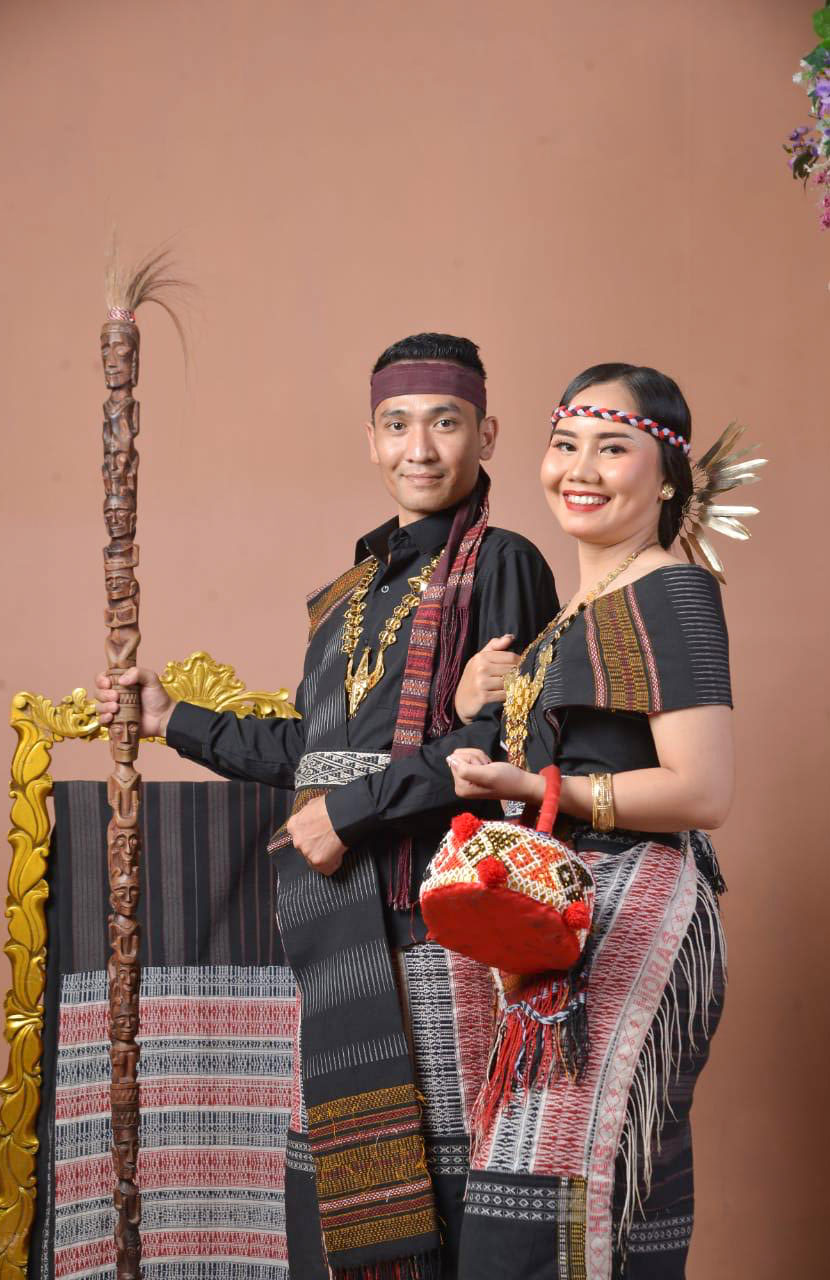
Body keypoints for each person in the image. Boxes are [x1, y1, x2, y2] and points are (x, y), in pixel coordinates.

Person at [95, 333, 558, 1279]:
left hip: (440, 924)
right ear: (370, 437)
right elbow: (313, 756)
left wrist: (347, 814)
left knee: (449, 1190)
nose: (419, 448)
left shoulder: (503, 563)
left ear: (486, 435)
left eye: (445, 423)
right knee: (354, 1204)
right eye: (397, 425)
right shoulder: (347, 593)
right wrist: (171, 720)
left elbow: (506, 747)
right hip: (340, 920)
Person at [446, 363, 738, 1280]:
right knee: (566, 1182)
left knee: (558, 1181)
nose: (580, 468)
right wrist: (473, 707)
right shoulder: (576, 613)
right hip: (562, 909)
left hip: (631, 900)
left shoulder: (671, 592)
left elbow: (703, 790)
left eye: (613, 447)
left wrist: (543, 787)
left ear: (669, 479)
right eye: (565, 443)